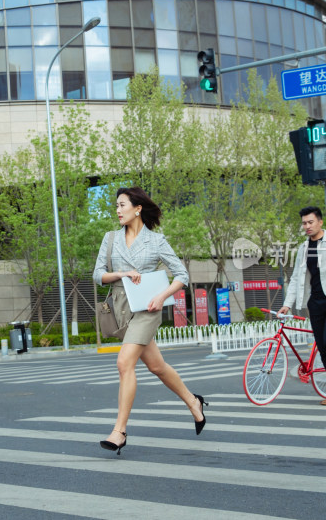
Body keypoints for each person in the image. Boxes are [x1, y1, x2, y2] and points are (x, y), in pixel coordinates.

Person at [92, 187, 208, 455]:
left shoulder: (155, 241)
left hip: (147, 308)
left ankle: (119, 431)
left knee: (124, 362)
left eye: (122, 205)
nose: (118, 210)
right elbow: (98, 275)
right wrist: (121, 273)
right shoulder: (110, 239)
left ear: (137, 208)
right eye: (117, 206)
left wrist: (163, 295)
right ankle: (193, 402)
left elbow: (181, 274)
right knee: (157, 366)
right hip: (122, 307)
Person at [279, 206, 326, 406]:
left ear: (320, 222)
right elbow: (296, 278)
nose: (307, 226)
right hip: (314, 302)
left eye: (310, 222)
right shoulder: (303, 248)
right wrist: (287, 304)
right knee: (322, 347)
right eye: (304, 223)